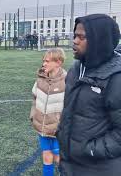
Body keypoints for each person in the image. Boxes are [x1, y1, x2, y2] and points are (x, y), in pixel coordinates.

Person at [56, 14, 121, 176]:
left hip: (99, 168)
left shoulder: (116, 78)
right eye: (74, 35)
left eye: (81, 37)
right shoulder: (76, 69)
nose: (75, 41)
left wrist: (91, 150)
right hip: (70, 164)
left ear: (99, 40)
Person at [30, 48, 67, 176]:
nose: (44, 64)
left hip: (58, 130)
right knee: (46, 156)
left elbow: (71, 106)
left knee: (58, 158)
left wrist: (63, 124)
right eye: (43, 61)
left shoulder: (66, 81)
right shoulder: (40, 78)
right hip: (42, 127)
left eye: (47, 61)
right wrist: (33, 116)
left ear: (58, 62)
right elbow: (34, 98)